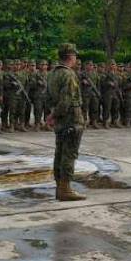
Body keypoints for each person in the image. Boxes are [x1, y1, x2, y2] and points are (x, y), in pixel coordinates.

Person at [47, 43, 86, 201]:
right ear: (70, 56)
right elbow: (66, 101)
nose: (76, 59)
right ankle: (65, 189)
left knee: (60, 153)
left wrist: (52, 114)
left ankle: (60, 187)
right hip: (71, 119)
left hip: (60, 120)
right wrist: (55, 114)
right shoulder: (68, 75)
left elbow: (48, 96)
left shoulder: (53, 74)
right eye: (75, 56)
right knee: (69, 154)